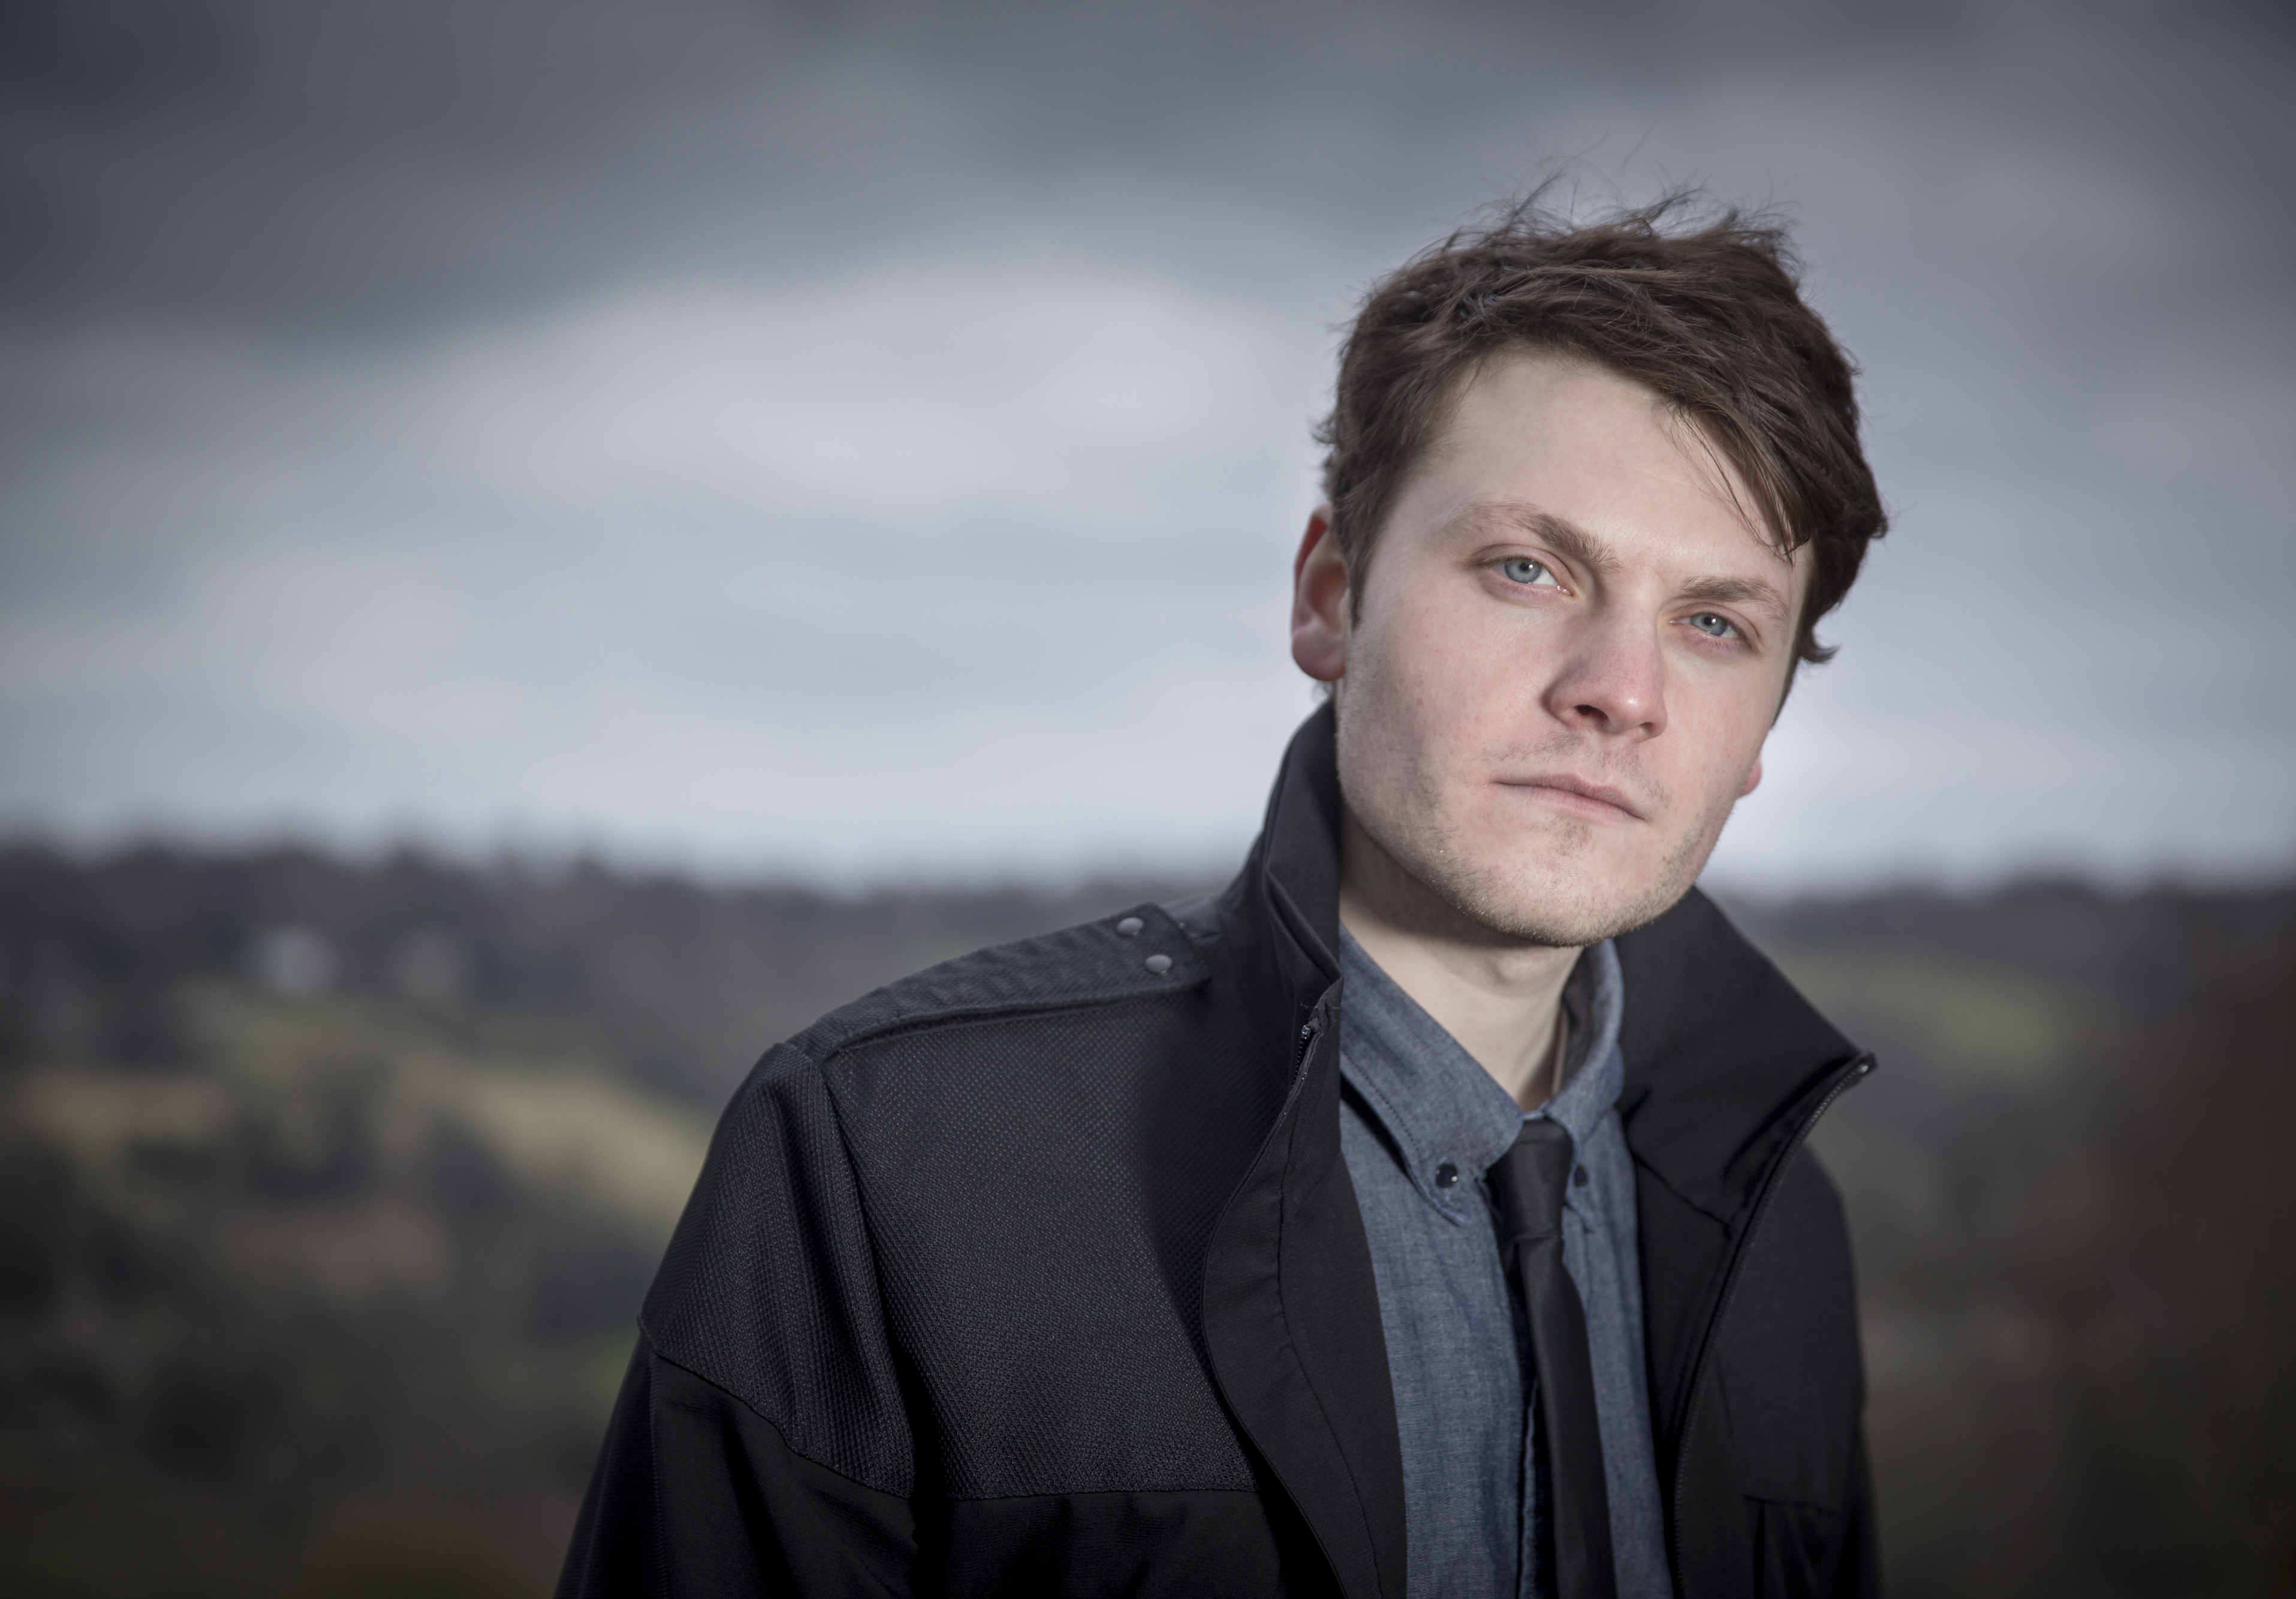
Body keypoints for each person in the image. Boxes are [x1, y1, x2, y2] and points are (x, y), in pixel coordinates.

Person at [559, 196, 1889, 1599]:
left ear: (1760, 734)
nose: (1618, 688)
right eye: (1525, 565)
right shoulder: (884, 1163)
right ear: (1329, 595)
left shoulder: (1783, 1234)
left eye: (1713, 623)